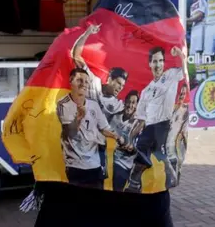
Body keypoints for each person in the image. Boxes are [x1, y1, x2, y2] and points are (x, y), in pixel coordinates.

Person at [3, 0, 189, 227]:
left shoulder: (73, 42)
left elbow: (26, 120)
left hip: (80, 202)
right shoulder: (175, 37)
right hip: (152, 200)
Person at [125, 46, 185, 192]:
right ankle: (133, 186)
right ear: (150, 64)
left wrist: (180, 54)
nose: (158, 65)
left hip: (164, 124)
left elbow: (184, 71)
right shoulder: (146, 91)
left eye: (161, 61)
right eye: (155, 61)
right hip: (149, 127)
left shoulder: (171, 75)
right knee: (139, 153)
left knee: (161, 154)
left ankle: (170, 177)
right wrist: (129, 138)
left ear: (164, 63)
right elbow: (140, 120)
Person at [56, 68, 125, 189]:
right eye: (79, 80)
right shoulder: (63, 104)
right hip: (75, 165)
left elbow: (104, 128)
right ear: (71, 81)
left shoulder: (93, 104)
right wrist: (78, 117)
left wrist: (116, 136)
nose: (83, 84)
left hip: (95, 164)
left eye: (86, 81)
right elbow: (70, 133)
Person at [111, 90, 140, 192]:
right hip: (109, 158)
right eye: (128, 101)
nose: (130, 105)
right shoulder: (115, 116)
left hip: (123, 163)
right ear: (125, 102)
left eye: (133, 103)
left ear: (137, 105)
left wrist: (130, 147)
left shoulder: (138, 123)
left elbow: (138, 148)